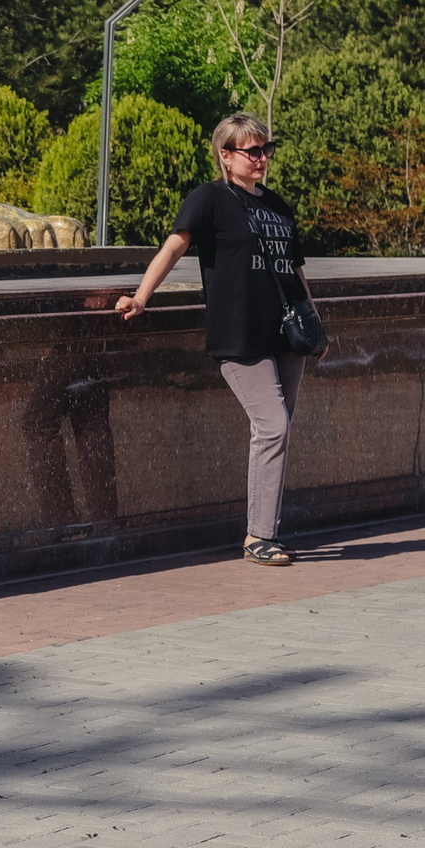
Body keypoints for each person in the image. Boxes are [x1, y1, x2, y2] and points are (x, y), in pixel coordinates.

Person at [115, 112, 315, 566]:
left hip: (286, 333)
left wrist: (313, 317)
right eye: (252, 151)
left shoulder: (277, 205)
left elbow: (295, 267)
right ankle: (259, 537)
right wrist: (142, 297)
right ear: (226, 156)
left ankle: (267, 531)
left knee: (277, 431)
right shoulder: (209, 198)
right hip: (239, 331)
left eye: (266, 150)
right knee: (273, 426)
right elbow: (173, 247)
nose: (261, 159)